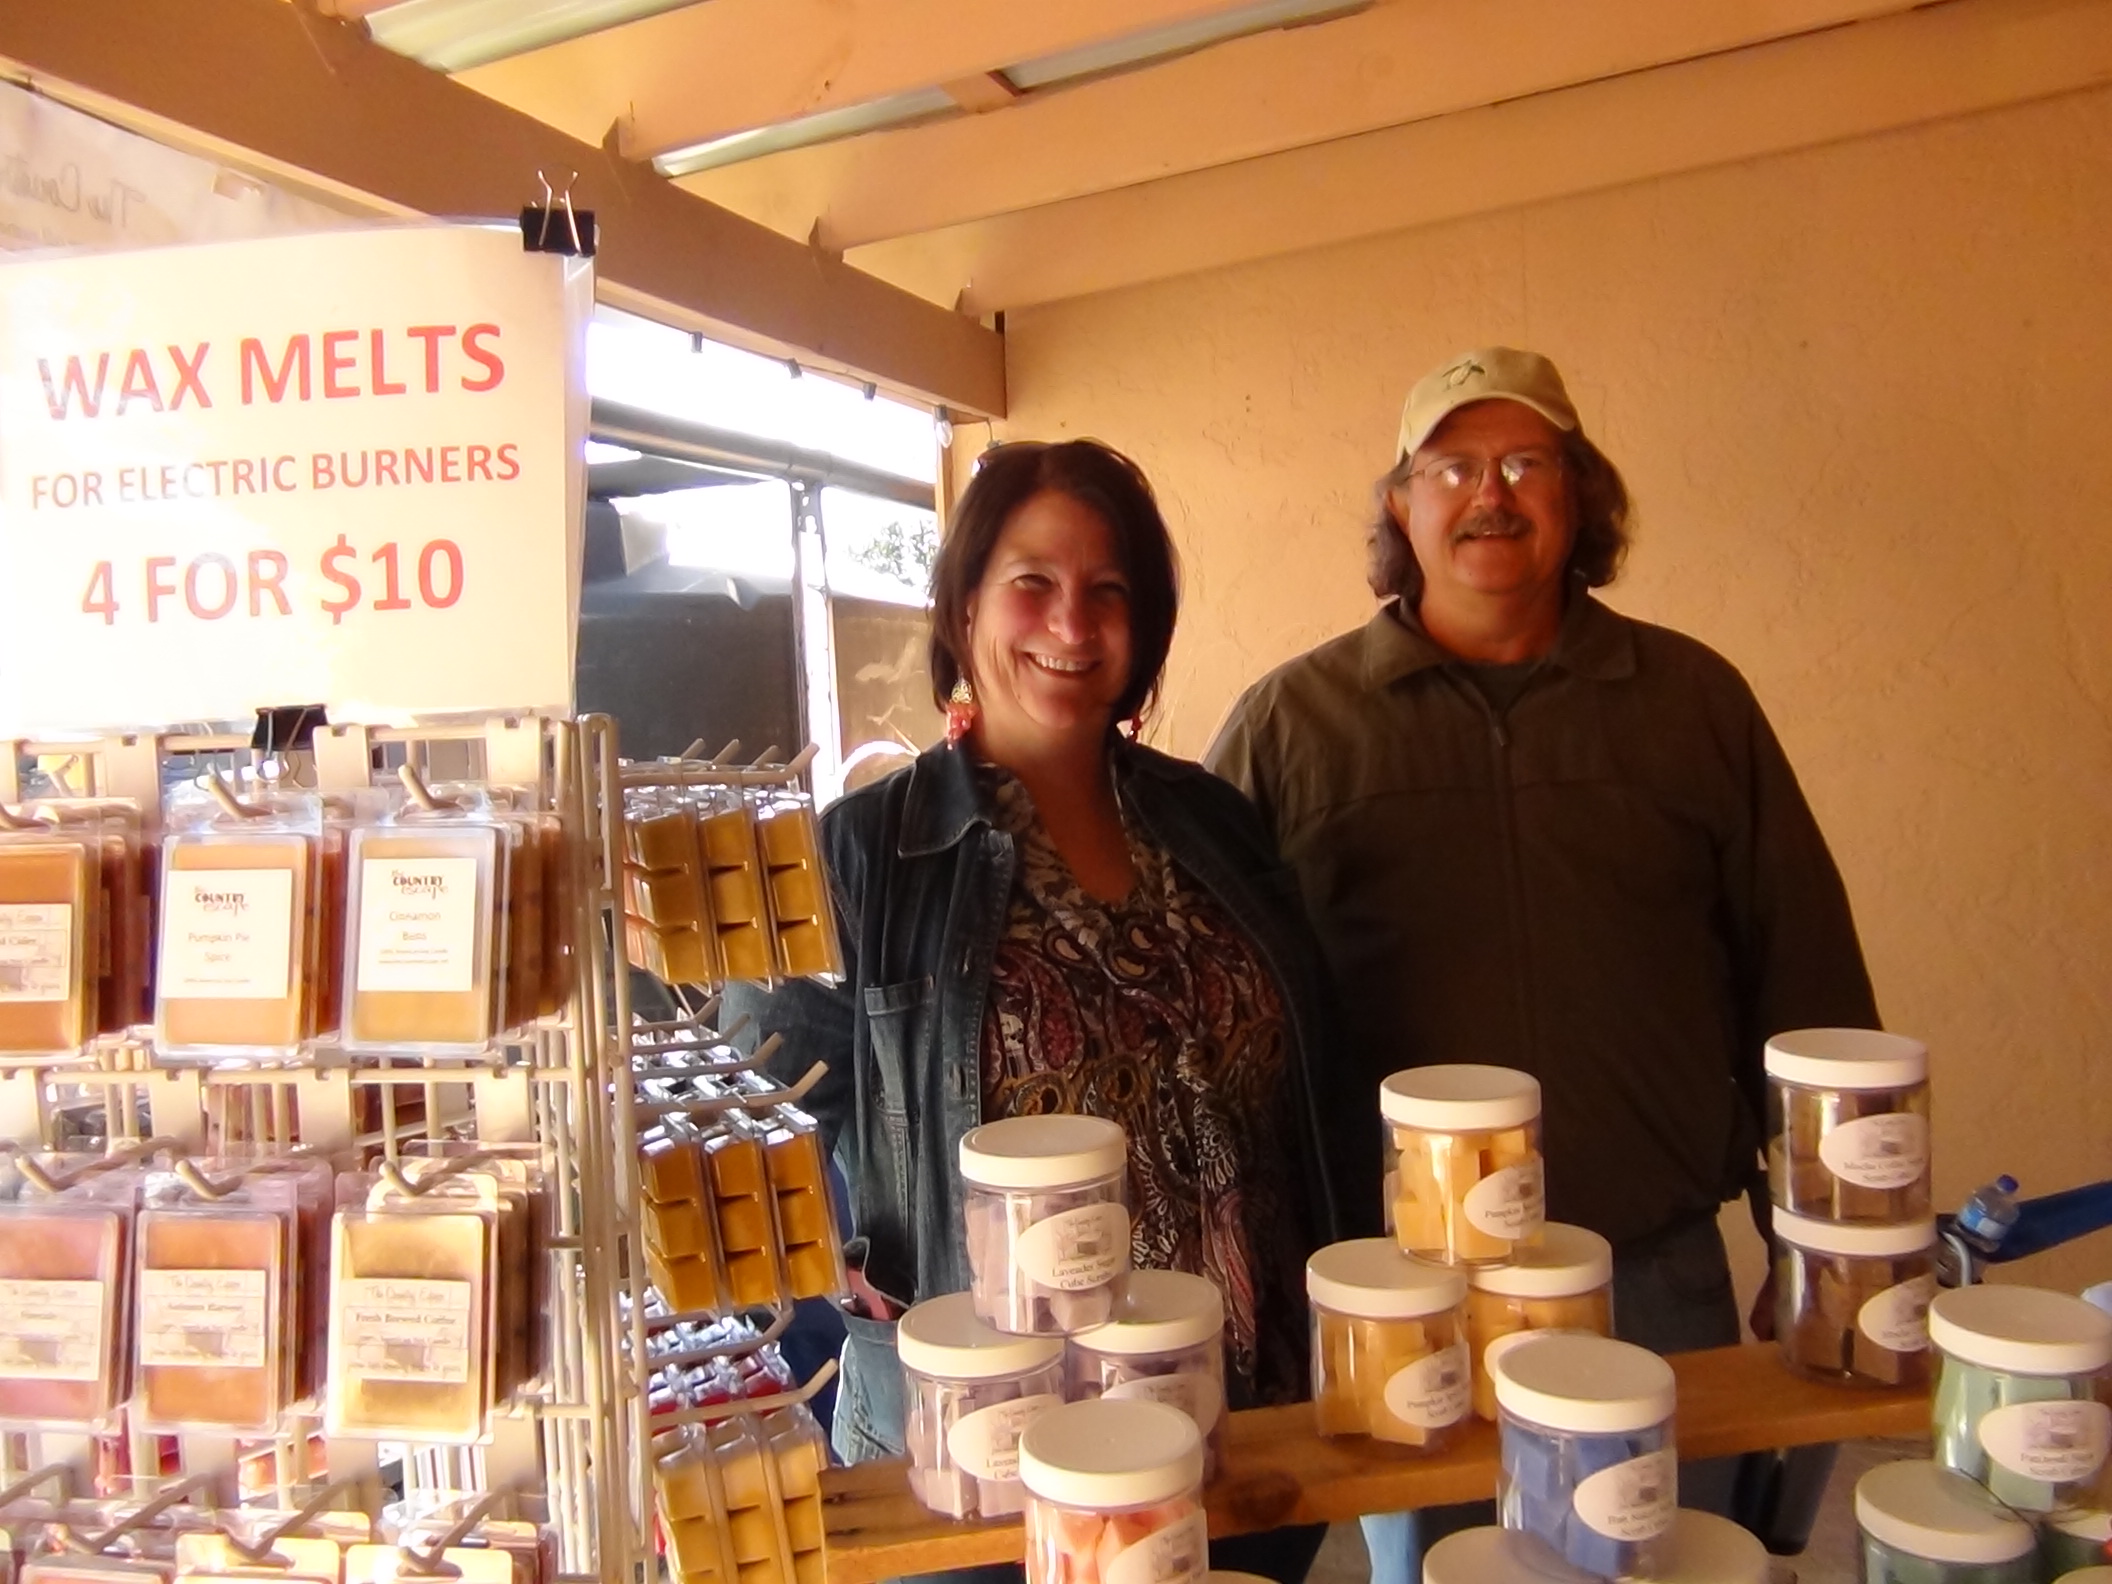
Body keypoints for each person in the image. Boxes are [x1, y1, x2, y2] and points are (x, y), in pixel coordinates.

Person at [1206, 347, 1879, 1577]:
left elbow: (1807, 978)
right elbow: (1221, 1019)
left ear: (1582, 497)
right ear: (1402, 506)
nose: (1489, 494)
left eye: (1526, 462)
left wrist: (1823, 1243)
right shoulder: (1290, 726)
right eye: (1450, 465)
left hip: (1655, 1269)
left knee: (1679, 1563)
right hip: (1409, 1303)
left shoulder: (1692, 703)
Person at [746, 438, 1343, 1582]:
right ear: (965, 605)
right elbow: (765, 1108)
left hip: (1240, 1415)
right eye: (1033, 583)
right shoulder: (866, 855)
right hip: (1001, 1453)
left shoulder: (1215, 825)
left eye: (1108, 591)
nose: (1072, 625)